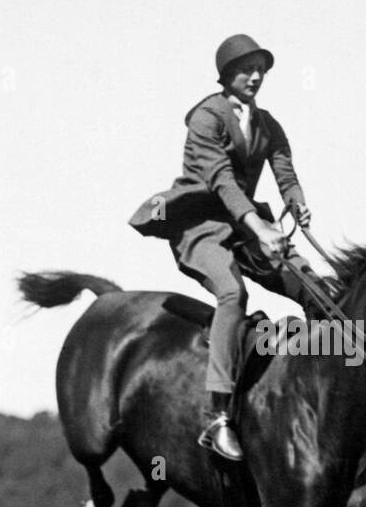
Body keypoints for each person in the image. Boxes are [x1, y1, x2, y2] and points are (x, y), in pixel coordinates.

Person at [128, 34, 321, 461]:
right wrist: (259, 225)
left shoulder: (268, 123)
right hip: (201, 225)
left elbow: (285, 172)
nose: (255, 77)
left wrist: (298, 204)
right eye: (246, 69)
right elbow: (221, 181)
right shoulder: (205, 118)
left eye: (261, 70)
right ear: (226, 75)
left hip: (247, 225)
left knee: (313, 286)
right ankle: (217, 415)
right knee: (233, 293)